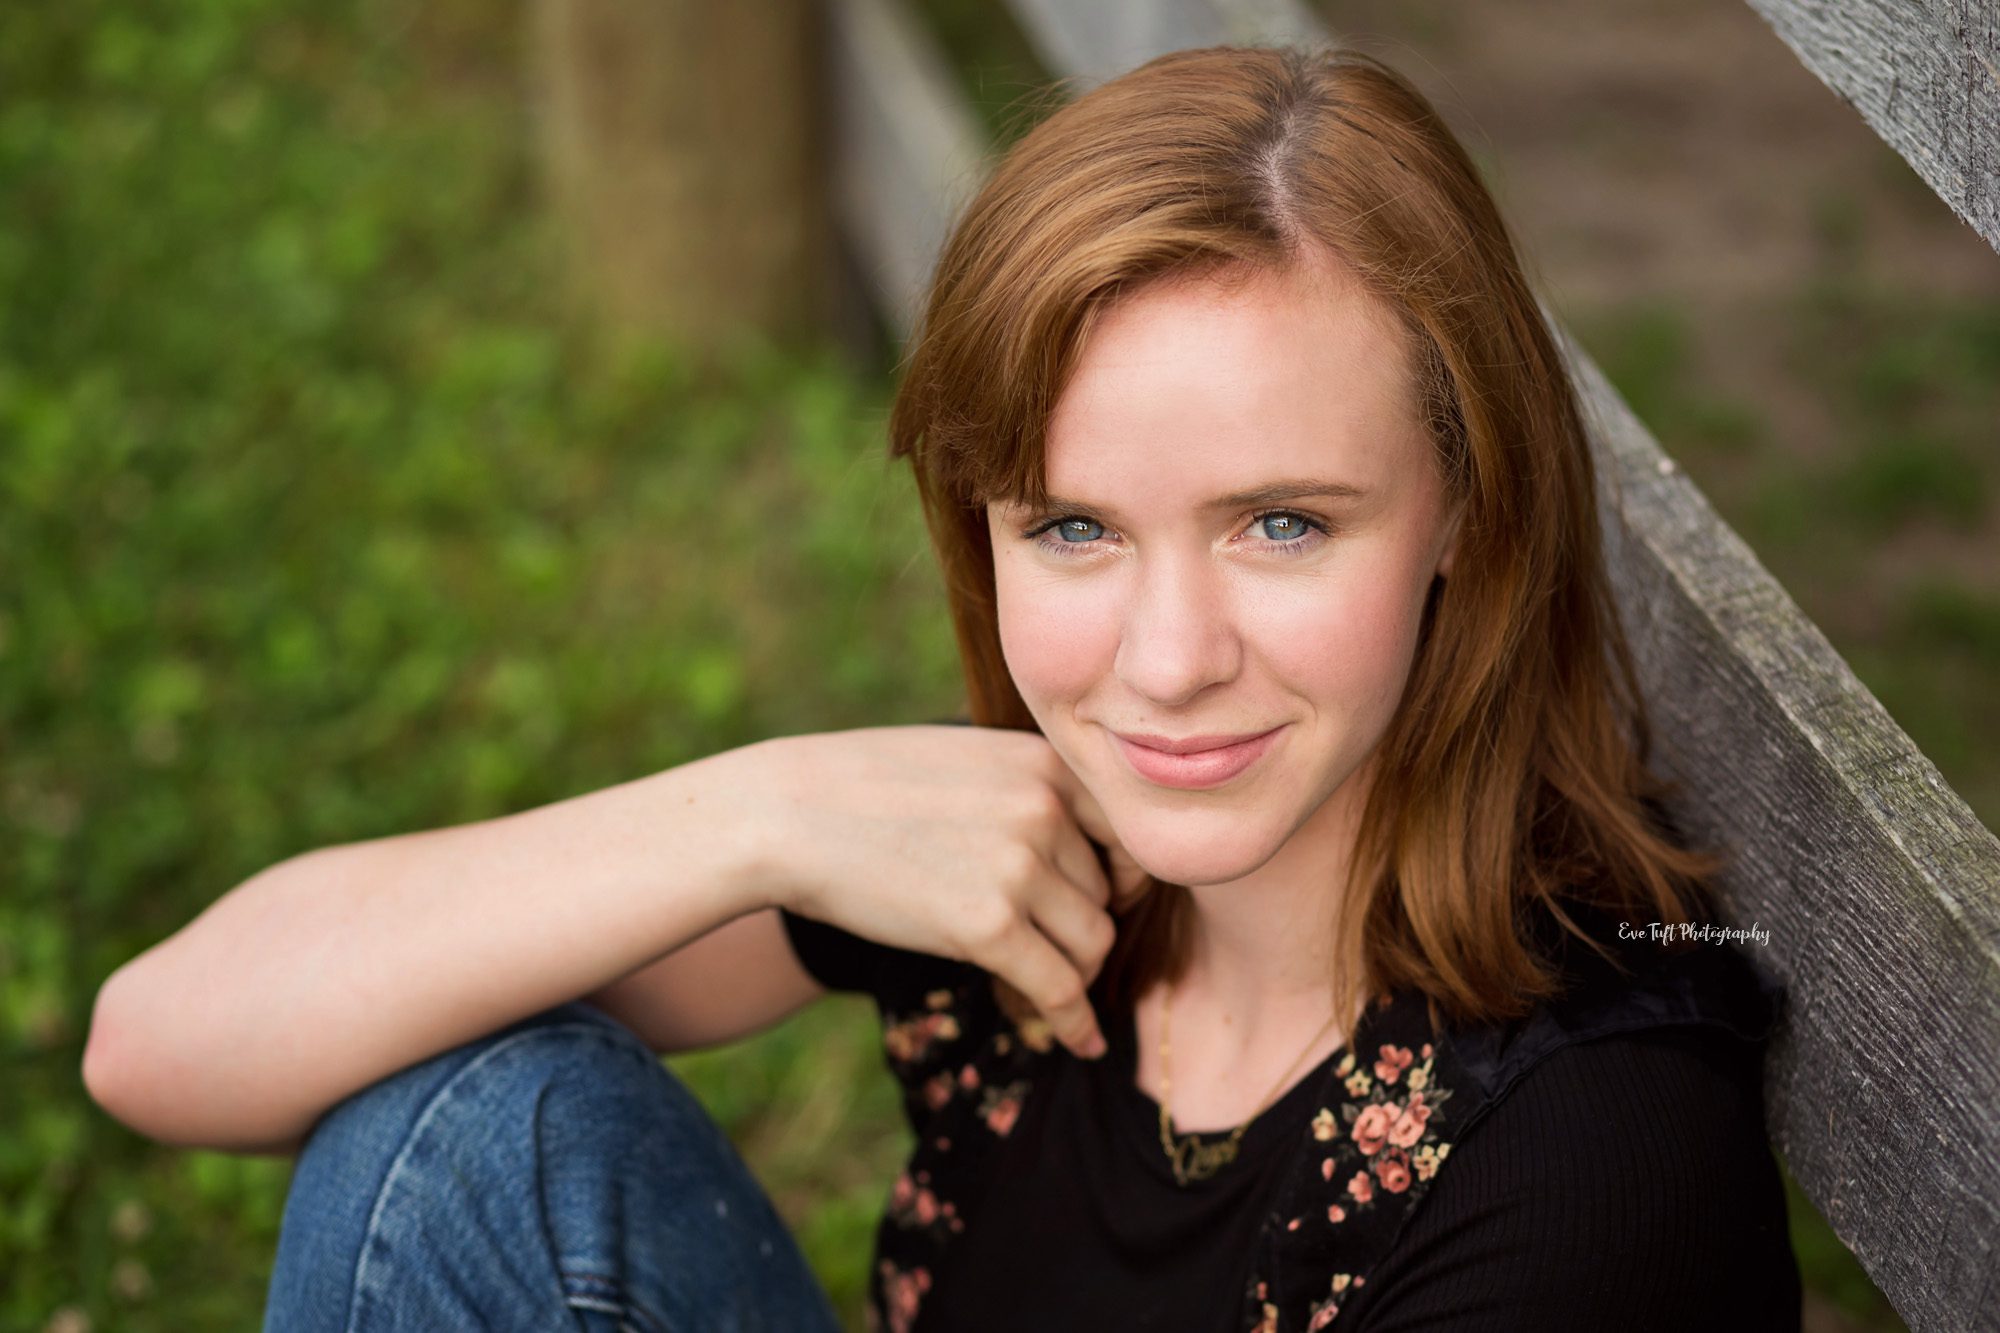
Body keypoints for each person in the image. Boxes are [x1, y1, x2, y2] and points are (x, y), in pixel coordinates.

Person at [80, 41, 1802, 1333]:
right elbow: (164, 1043)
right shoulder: (1030, 861)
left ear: (1465, 510)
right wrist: (759, 814)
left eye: (1283, 523)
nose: (1171, 658)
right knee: (459, 1139)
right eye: (1073, 528)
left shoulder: (1593, 1161)